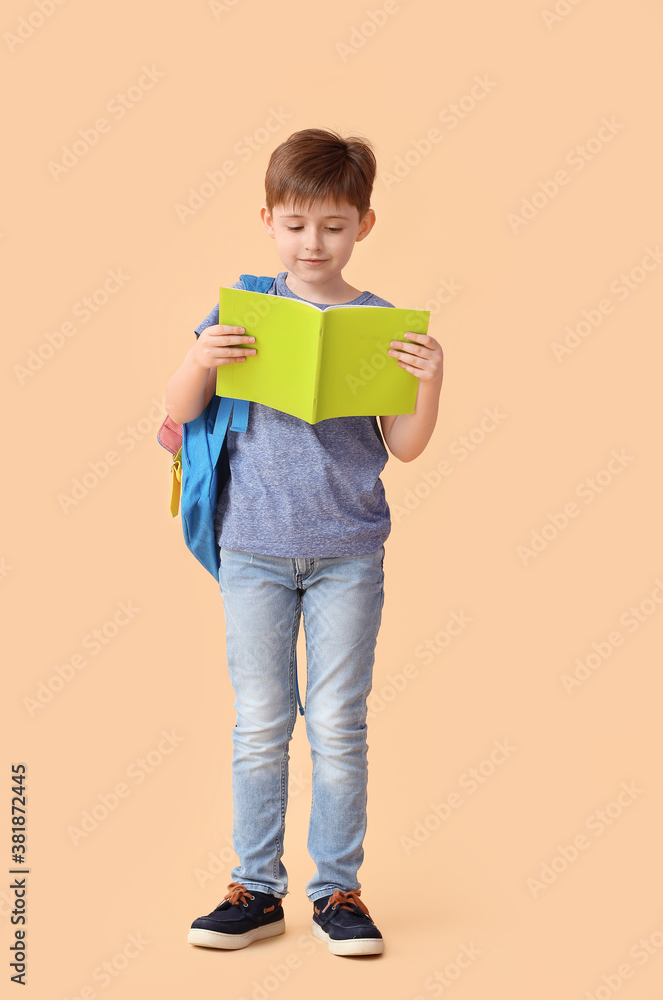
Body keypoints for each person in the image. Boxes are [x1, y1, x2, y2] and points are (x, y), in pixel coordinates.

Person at [164, 128, 444, 958]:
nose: (311, 242)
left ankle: (338, 891)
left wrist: (430, 381)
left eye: (331, 224)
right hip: (251, 546)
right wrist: (198, 356)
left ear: (363, 223)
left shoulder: (384, 325)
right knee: (258, 722)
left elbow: (405, 445)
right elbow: (178, 414)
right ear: (267, 220)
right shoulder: (240, 309)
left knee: (336, 722)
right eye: (294, 224)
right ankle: (253, 887)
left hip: (347, 552)